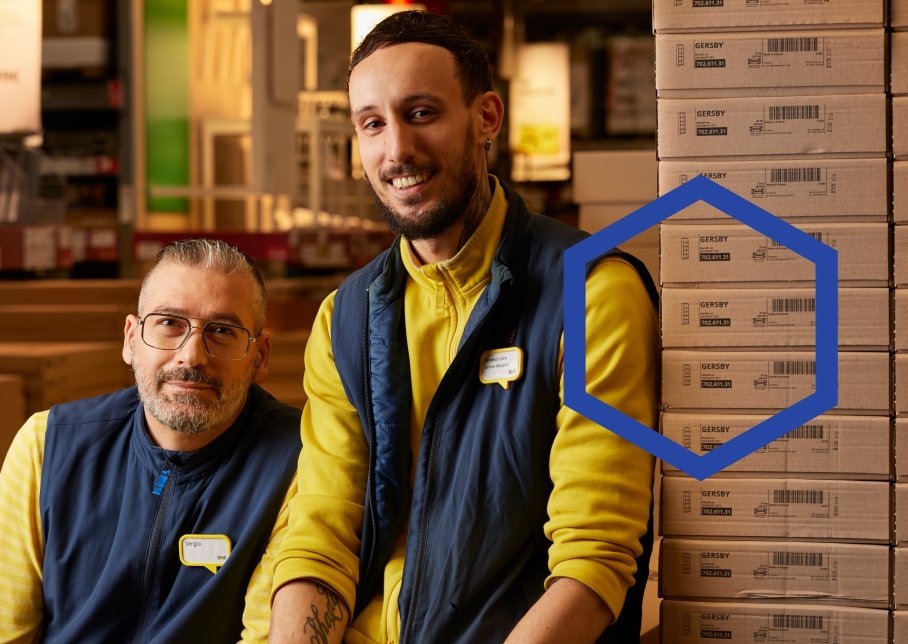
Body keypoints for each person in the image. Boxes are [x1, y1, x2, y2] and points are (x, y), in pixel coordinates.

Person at [253, 10, 658, 644]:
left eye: (421, 114)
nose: (397, 151)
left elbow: (593, 561)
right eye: (372, 124)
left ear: (486, 118)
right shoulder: (345, 319)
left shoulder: (590, 293)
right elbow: (320, 534)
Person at [0, 238, 302, 643]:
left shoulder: (297, 463)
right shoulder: (46, 447)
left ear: (260, 356)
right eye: (169, 323)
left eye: (222, 331)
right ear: (131, 339)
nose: (191, 355)